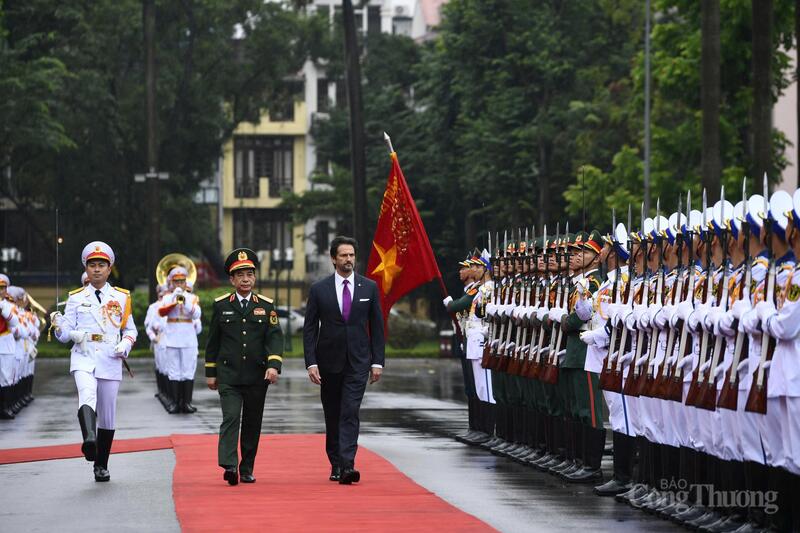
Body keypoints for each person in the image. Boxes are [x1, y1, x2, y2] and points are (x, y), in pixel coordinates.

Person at [51, 241, 137, 482]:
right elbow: (65, 332)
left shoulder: (121, 297)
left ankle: (101, 464)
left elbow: (130, 329)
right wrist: (59, 327)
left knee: (108, 413)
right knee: (86, 394)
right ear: (86, 269)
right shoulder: (76, 297)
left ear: (110, 269)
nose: (97, 269)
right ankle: (89, 439)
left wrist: (126, 344)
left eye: (101, 265)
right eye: (92, 265)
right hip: (84, 354)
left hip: (110, 356)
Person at [302, 236, 385, 485]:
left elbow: (377, 327)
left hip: (358, 361)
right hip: (329, 362)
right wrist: (311, 362)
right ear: (333, 259)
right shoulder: (319, 289)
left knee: (350, 411)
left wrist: (377, 361)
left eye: (351, 255)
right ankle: (335, 462)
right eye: (343, 256)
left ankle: (348, 464)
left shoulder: (368, 288)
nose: (348, 260)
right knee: (333, 413)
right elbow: (309, 329)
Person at [205, 248, 283, 486]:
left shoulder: (266, 306)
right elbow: (213, 342)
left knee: (252, 422)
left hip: (257, 375)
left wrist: (274, 366)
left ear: (254, 278)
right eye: (240, 275)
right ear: (232, 279)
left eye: (249, 274)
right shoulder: (221, 306)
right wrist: (211, 372)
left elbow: (275, 338)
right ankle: (229, 465)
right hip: (228, 374)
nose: (246, 279)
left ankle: (246, 467)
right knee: (230, 417)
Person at [159, 266, 202, 413]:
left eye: (182, 281)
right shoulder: (166, 298)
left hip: (188, 338)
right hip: (172, 338)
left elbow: (196, 315)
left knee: (188, 371)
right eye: (176, 282)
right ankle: (175, 402)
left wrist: (185, 302)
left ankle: (187, 402)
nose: (179, 284)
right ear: (171, 283)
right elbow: (162, 312)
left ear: (186, 283)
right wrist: (174, 300)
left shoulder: (193, 298)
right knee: (174, 371)